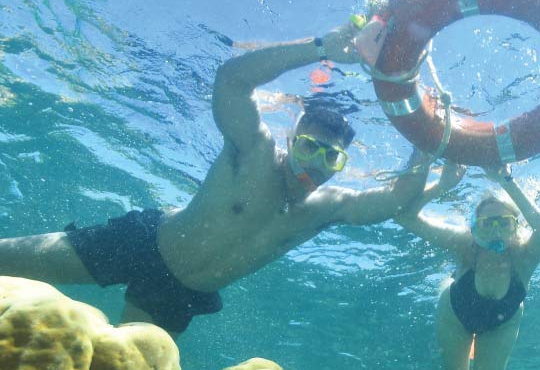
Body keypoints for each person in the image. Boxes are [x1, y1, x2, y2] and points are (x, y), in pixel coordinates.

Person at [0, 25, 434, 334]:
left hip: (179, 294)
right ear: (291, 139)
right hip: (141, 243)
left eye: (332, 157)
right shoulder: (255, 152)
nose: (316, 165)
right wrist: (320, 47)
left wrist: (427, 135)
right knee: (10, 262)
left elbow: (400, 197)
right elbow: (232, 80)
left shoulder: (328, 207)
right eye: (308, 148)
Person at [395, 162, 540, 370]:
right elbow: (405, 217)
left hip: (503, 324)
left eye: (505, 223)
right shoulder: (464, 244)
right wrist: (441, 185)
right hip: (454, 313)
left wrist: (506, 181)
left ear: (517, 226)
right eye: (487, 225)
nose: (496, 231)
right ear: (474, 228)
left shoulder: (525, 257)